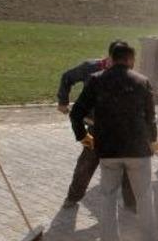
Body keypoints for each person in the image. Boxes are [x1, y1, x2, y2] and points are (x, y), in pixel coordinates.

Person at [70, 43, 158, 241]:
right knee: (144, 197)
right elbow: (150, 118)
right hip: (138, 151)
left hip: (108, 151)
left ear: (111, 58)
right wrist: (153, 140)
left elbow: (76, 113)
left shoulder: (96, 80)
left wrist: (83, 137)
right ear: (130, 60)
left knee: (108, 198)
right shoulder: (142, 81)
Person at [57, 40, 136, 210]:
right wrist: (63, 101)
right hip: (95, 129)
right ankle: (73, 197)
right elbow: (67, 77)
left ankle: (131, 204)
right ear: (110, 58)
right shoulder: (90, 68)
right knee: (86, 165)